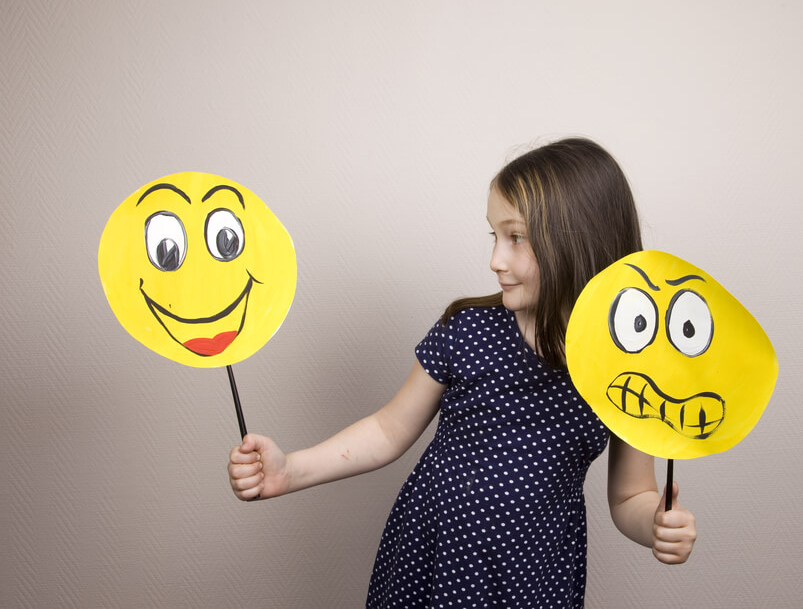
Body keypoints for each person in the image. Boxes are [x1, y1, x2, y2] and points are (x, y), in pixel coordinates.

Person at [228, 137, 697, 607]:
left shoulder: (629, 373)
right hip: (431, 564)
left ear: (579, 242)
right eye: (494, 236)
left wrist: (656, 524)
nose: (495, 260)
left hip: (532, 581)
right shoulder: (467, 330)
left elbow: (631, 496)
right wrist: (291, 471)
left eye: (516, 238)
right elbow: (388, 430)